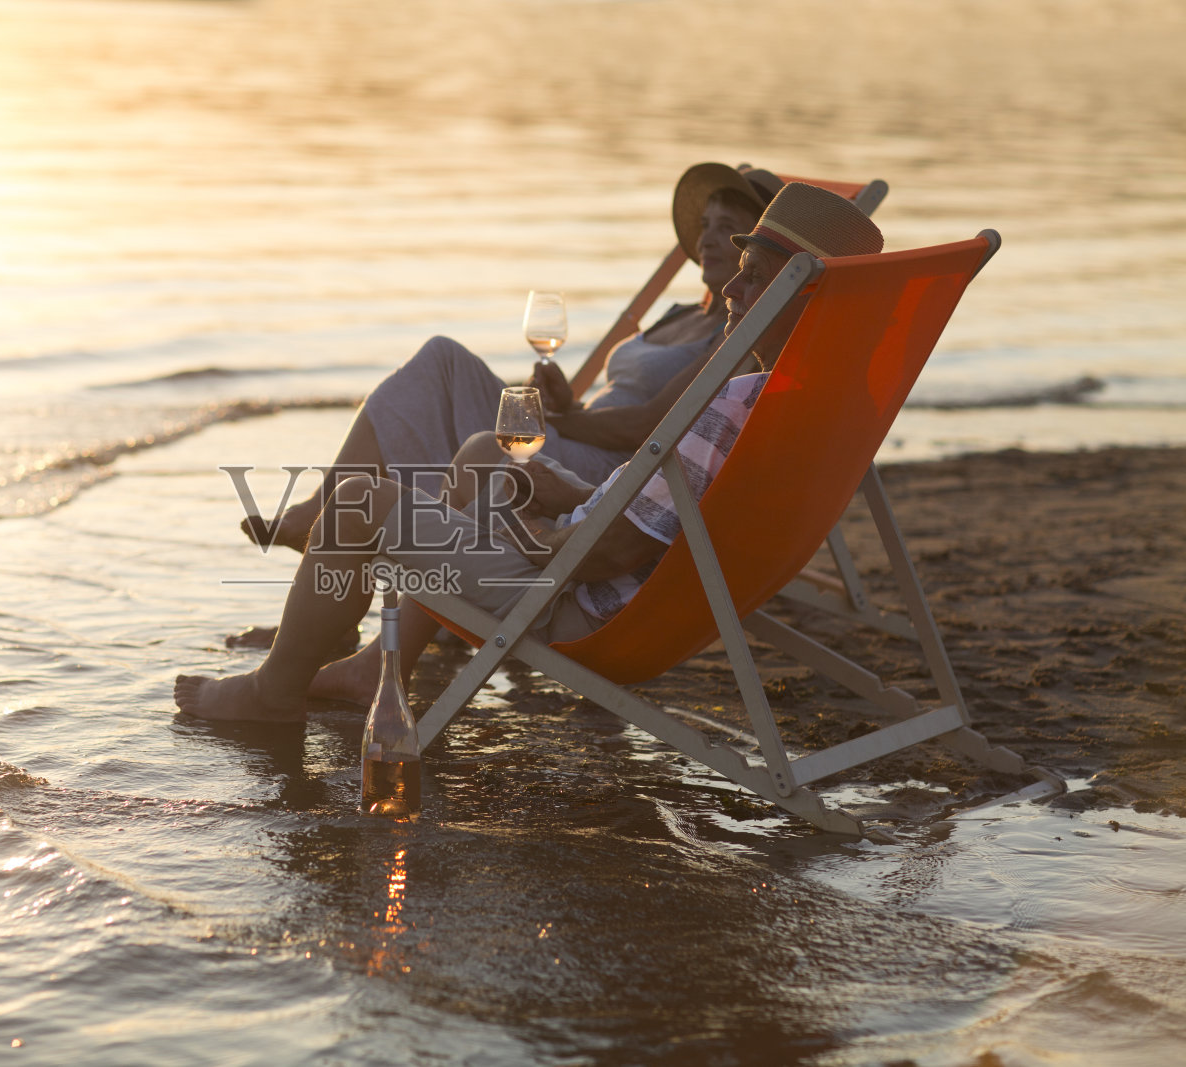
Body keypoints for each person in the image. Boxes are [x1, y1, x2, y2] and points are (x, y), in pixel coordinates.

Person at [178, 183, 883, 722]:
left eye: (752, 274)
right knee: (488, 451)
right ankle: (377, 661)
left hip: (570, 596)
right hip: (591, 563)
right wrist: (571, 497)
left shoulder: (733, 404)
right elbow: (670, 519)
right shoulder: (803, 400)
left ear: (807, 294)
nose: (729, 284)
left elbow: (612, 554)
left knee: (362, 503)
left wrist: (544, 531)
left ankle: (275, 688)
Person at [241, 162, 784, 552]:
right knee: (435, 390)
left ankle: (323, 528)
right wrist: (570, 403)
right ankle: (328, 555)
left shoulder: (739, 330)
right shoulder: (681, 311)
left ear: (760, 256)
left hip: (608, 470)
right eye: (706, 225)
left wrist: (561, 418)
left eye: (731, 231)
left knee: (443, 367)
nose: (712, 239)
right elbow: (622, 405)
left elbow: (649, 426)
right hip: (580, 433)